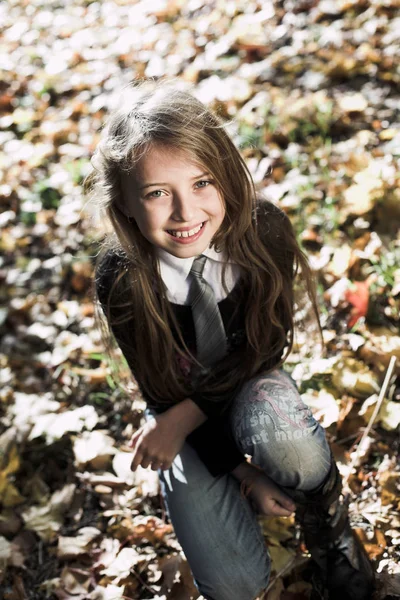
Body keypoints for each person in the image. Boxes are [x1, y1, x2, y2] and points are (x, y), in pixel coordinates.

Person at [86, 80, 374, 600]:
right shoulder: (124, 278)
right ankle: (232, 495)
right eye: (156, 193)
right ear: (125, 203)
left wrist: (188, 414)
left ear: (224, 175)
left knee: (286, 435)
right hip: (177, 411)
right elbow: (162, 392)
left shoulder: (263, 233)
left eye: (201, 183)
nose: (185, 212)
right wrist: (243, 473)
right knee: (236, 585)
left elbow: (266, 345)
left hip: (245, 386)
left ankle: (326, 523)